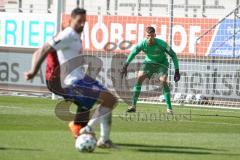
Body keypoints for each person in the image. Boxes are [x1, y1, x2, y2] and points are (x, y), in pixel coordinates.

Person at [24, 8, 117, 148]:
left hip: (82, 78)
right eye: (79, 21)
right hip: (74, 82)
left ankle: (103, 139)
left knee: (110, 100)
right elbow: (42, 49)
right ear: (71, 20)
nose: (82, 24)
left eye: (84, 21)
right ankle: (86, 129)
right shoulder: (67, 34)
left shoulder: (76, 36)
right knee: (107, 100)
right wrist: (33, 70)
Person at [120, 26, 180, 113]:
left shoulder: (162, 44)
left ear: (155, 35)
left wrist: (177, 70)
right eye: (148, 36)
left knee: (163, 81)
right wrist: (125, 65)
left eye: (151, 36)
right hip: (148, 63)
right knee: (139, 77)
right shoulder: (142, 44)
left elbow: (173, 55)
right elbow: (133, 53)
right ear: (146, 36)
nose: (150, 38)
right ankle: (133, 105)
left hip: (161, 63)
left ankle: (169, 108)